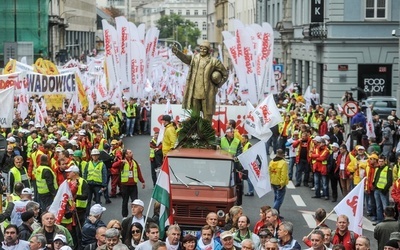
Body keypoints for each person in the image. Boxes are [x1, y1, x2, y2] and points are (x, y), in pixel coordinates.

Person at [172, 40, 228, 121]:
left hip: (208, 92)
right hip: (195, 92)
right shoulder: (195, 58)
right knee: (195, 116)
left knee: (207, 116)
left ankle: (206, 132)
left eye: (204, 49)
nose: (202, 50)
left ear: (208, 50)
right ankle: (195, 131)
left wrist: (218, 85)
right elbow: (185, 58)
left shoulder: (214, 61)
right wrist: (177, 52)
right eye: (201, 48)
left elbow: (225, 74)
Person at [112, 149, 145, 218]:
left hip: (133, 185)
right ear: (126, 155)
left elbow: (138, 172)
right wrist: (120, 161)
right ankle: (124, 217)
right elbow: (114, 165)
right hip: (125, 185)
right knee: (125, 201)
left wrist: (142, 181)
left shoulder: (134, 162)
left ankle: (134, 216)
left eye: (131, 152)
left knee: (135, 202)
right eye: (130, 152)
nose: (131, 153)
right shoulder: (123, 162)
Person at [220, 128, 243, 205]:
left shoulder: (237, 141)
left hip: (234, 163)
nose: (233, 133)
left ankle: (239, 201)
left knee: (238, 181)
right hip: (224, 163)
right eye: (231, 132)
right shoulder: (221, 140)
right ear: (226, 133)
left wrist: (236, 156)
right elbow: (217, 147)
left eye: (233, 132)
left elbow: (240, 151)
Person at [373, 156, 392, 225]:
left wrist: (385, 189)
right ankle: (379, 220)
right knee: (378, 206)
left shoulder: (388, 169)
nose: (380, 163)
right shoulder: (377, 168)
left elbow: (390, 180)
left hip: (383, 190)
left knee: (385, 207)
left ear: (385, 161)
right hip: (377, 189)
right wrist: (374, 185)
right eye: (379, 161)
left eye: (382, 161)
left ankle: (386, 221)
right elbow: (376, 178)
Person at [269, 149, 289, 214]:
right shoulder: (283, 163)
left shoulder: (271, 162)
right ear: (283, 155)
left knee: (276, 197)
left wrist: (270, 182)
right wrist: (282, 184)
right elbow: (283, 174)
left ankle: (277, 213)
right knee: (279, 199)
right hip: (280, 183)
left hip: (273, 182)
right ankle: (273, 213)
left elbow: (269, 172)